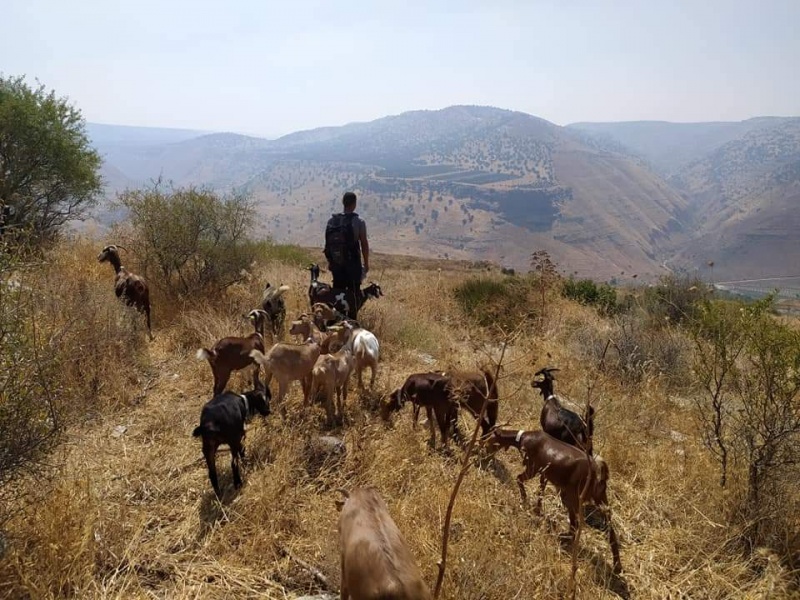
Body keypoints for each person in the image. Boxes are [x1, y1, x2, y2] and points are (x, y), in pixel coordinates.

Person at [324, 191, 369, 319]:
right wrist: (366, 264)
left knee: (338, 296)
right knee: (353, 297)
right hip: (353, 266)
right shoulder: (359, 221)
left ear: (343, 203)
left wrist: (331, 262)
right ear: (354, 204)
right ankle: (352, 326)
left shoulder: (332, 221)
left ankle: (337, 325)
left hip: (337, 266)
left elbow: (327, 245)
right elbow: (364, 244)